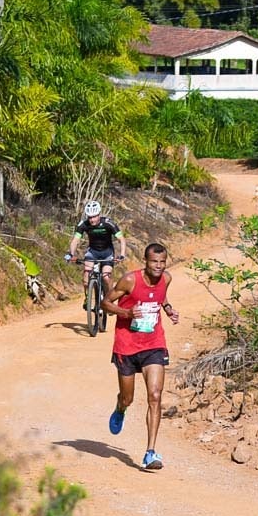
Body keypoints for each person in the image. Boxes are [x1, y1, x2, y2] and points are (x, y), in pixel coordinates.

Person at [101, 242, 180, 470]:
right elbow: (105, 303)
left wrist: (169, 310)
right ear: (145, 262)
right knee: (128, 398)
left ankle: (150, 452)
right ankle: (120, 407)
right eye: (154, 262)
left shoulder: (166, 279)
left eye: (162, 262)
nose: (158, 266)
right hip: (126, 346)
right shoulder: (130, 280)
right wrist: (126, 313)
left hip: (153, 344)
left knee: (155, 395)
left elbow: (161, 297)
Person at [64, 200, 126, 293]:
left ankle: (109, 298)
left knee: (106, 277)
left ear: (99, 214)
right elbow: (75, 240)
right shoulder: (83, 225)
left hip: (107, 252)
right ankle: (87, 297)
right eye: (90, 217)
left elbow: (121, 239)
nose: (92, 220)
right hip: (93, 252)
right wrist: (71, 254)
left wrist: (122, 255)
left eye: (94, 216)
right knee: (86, 273)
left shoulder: (108, 223)